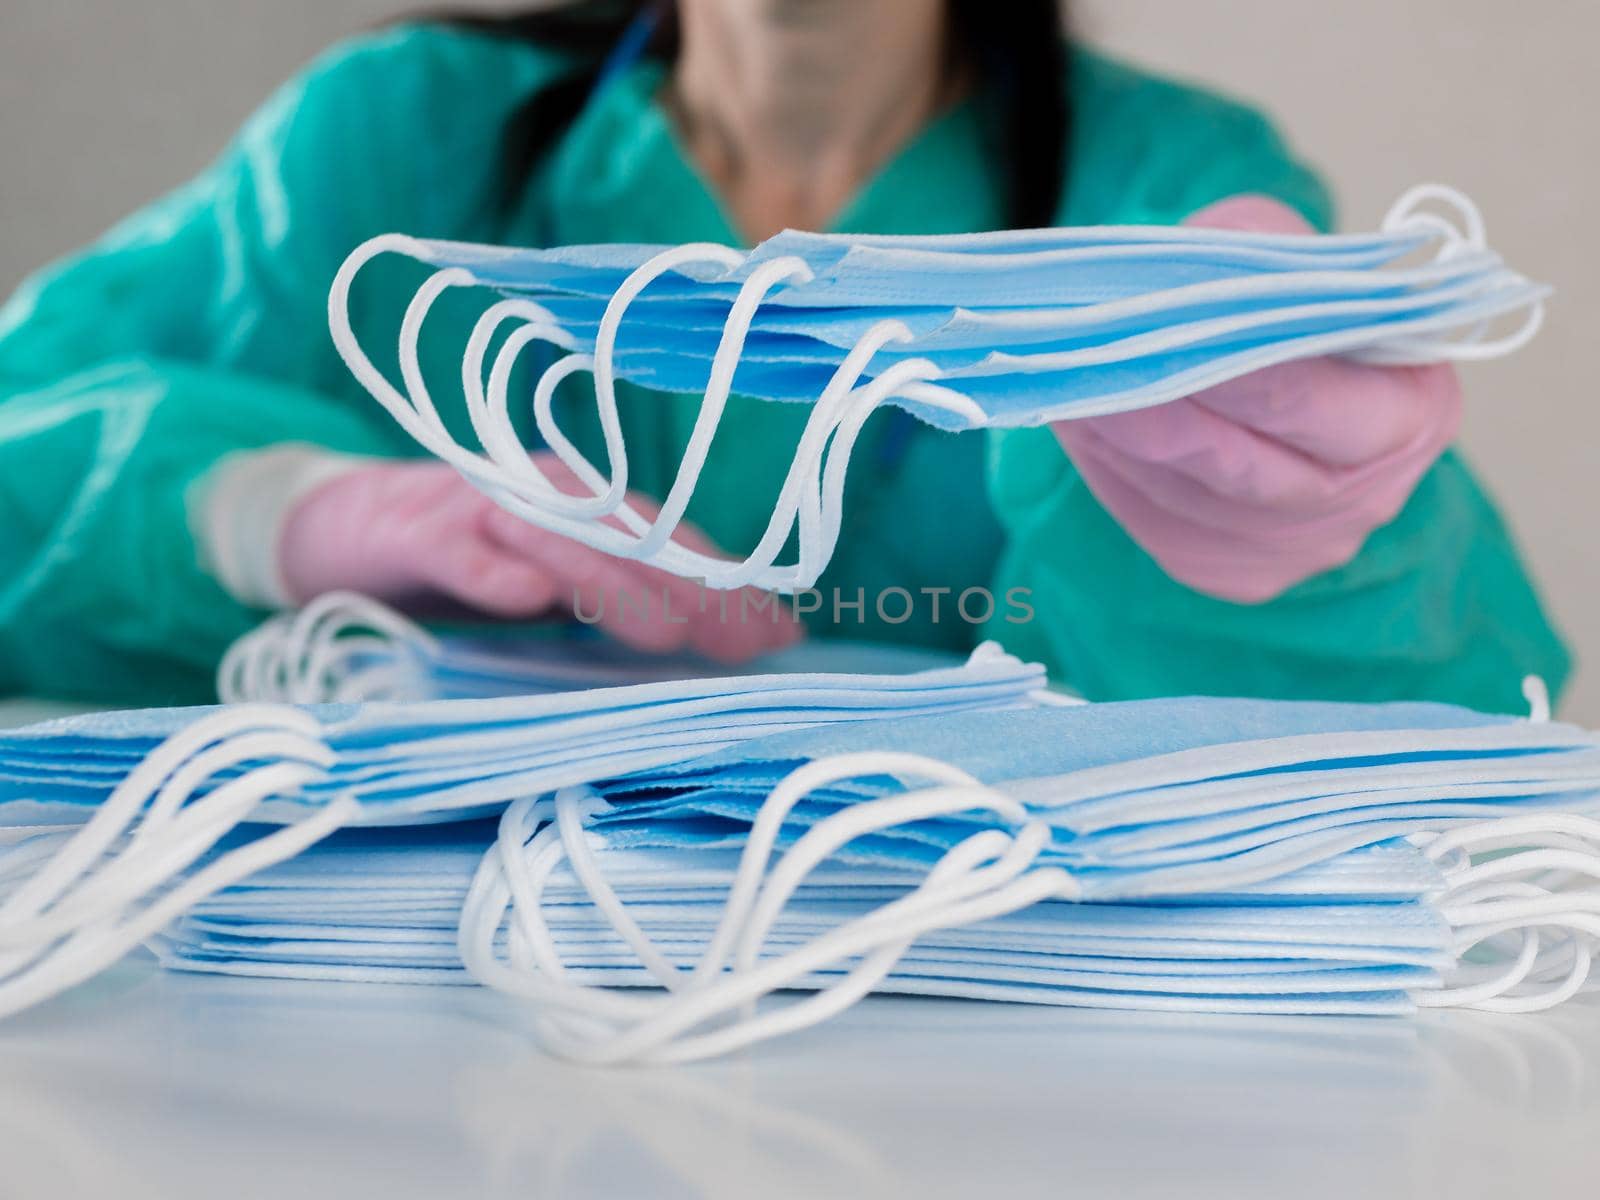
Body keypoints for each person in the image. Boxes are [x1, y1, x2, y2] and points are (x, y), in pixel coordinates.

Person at [0, 0, 1568, 710]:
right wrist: (268, 510)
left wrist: (1293, 542)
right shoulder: (393, 136)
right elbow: (32, 433)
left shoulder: (1171, 194)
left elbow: (1438, 698)